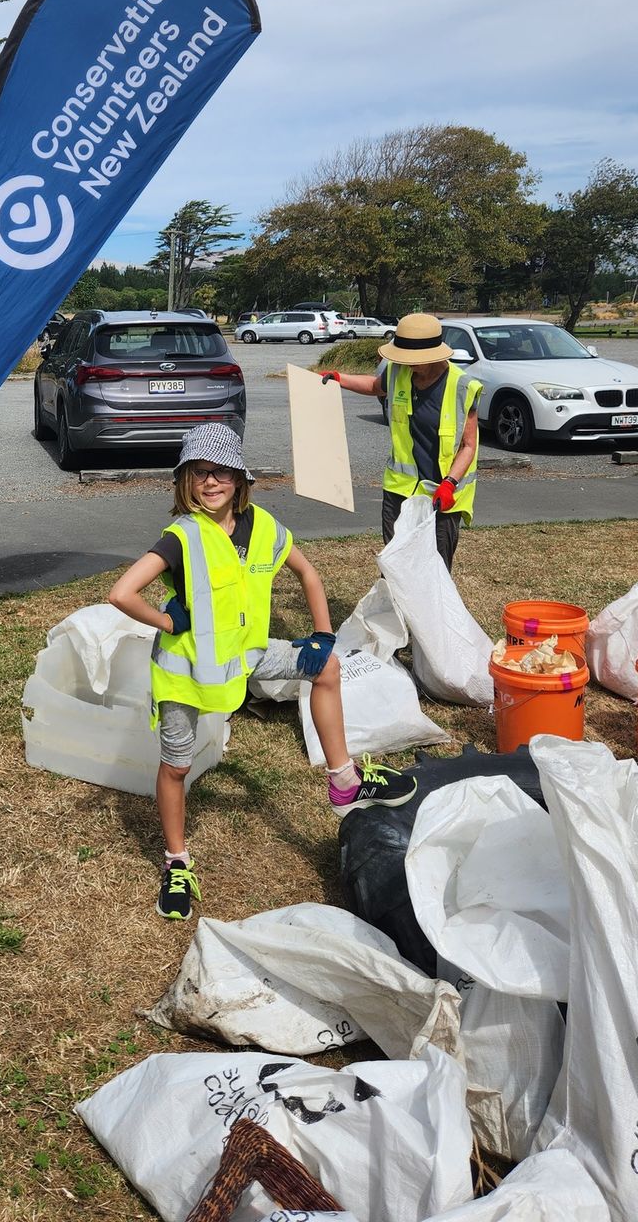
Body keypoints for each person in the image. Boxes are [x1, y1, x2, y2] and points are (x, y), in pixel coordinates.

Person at [108, 422, 417, 921]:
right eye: (199, 473)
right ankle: (177, 862)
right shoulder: (180, 537)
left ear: (240, 480)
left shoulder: (263, 527)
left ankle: (343, 781)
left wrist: (321, 634)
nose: (211, 483)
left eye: (221, 474)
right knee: (177, 767)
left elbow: (307, 572)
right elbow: (121, 593)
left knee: (328, 667)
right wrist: (167, 619)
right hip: (187, 674)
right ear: (185, 481)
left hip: (247, 655)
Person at [321, 312, 482, 572]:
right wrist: (341, 379)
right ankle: (397, 611)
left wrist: (449, 484)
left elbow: (468, 445)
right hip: (400, 489)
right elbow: (375, 386)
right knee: (395, 563)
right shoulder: (398, 372)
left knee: (435, 569)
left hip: (442, 494)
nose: (409, 364)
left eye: (415, 360)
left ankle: (429, 614)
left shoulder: (463, 386)